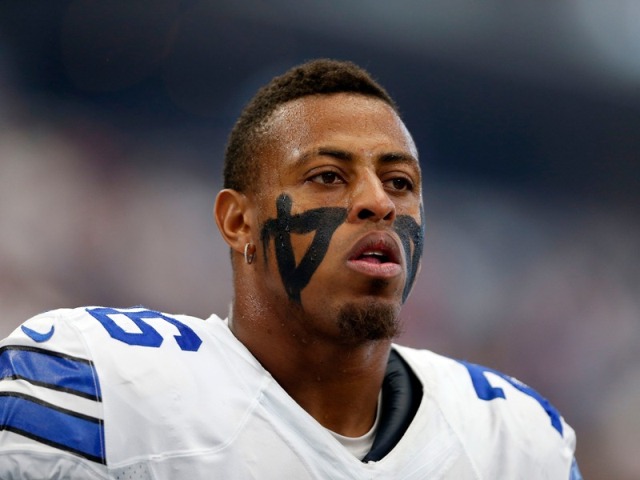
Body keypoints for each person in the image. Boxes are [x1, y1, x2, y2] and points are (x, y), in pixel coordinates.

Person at [0, 59, 581, 479]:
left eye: (400, 182)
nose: (379, 202)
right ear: (238, 222)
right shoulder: (94, 385)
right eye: (328, 176)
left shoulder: (514, 438)